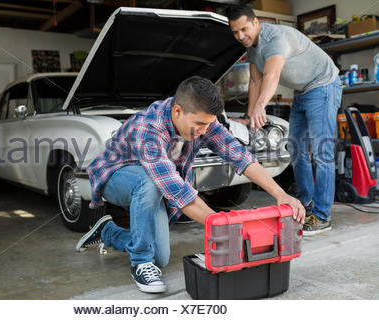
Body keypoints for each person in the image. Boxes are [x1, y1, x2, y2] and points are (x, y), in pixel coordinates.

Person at [76, 76, 305, 293]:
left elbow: (240, 156)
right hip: (115, 176)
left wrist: (280, 193)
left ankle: (107, 231)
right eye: (199, 124)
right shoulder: (149, 128)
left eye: (208, 124)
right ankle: (140, 263)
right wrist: (225, 227)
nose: (205, 131)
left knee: (160, 256)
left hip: (153, 183)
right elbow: (178, 193)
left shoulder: (202, 120)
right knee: (149, 185)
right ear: (177, 111)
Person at [227, 6, 342, 236]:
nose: (240, 36)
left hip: (323, 85)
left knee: (321, 152)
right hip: (302, 91)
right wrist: (250, 118)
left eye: (244, 29)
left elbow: (272, 75)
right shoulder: (252, 46)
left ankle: (322, 216)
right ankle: (306, 203)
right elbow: (255, 81)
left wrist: (261, 106)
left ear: (256, 22)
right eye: (235, 31)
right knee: (296, 150)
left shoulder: (275, 38)